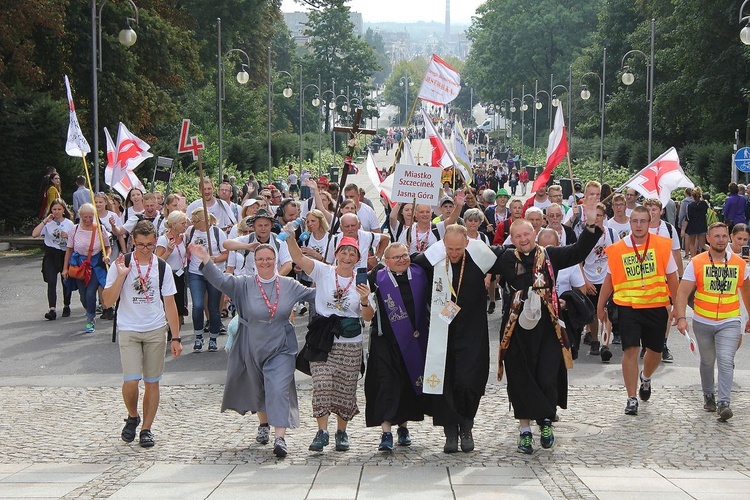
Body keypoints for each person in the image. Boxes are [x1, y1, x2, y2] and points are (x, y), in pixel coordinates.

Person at [498, 194, 603, 454]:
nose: (523, 239)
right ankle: (524, 431)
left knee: (547, 375)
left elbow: (578, 251)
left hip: (548, 327)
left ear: (534, 233)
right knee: (520, 379)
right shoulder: (505, 258)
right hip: (516, 329)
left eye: (527, 234)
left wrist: (590, 224)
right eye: (518, 236)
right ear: (512, 239)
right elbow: (469, 252)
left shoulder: (551, 255)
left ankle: (545, 421)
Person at [191, 241, 315, 457]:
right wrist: (205, 259)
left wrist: (340, 283)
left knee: (278, 387)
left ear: (275, 260)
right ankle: (263, 423)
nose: (265, 262)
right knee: (258, 387)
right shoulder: (243, 284)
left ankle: (280, 438)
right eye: (260, 259)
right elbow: (219, 280)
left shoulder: (289, 285)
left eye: (269, 258)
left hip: (281, 345)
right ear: (254, 262)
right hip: (251, 343)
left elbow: (315, 295)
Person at [412, 225, 505, 453]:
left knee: (470, 380)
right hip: (443, 331)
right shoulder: (433, 258)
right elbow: (407, 263)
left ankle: (467, 425)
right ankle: (450, 432)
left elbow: (508, 258)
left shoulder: (480, 256)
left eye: (458, 249)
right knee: (446, 380)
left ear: (467, 243)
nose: (453, 253)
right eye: (449, 249)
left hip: (473, 330)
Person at [285, 233, 374, 453]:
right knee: (322, 386)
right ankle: (322, 431)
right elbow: (297, 257)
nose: (347, 256)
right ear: (336, 254)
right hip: (323, 339)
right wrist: (289, 238)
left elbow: (368, 318)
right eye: (343, 251)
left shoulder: (363, 281)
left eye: (352, 253)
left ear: (357, 259)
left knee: (345, 389)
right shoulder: (323, 271)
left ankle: (341, 431)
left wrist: (364, 299)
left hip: (350, 342)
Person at [102, 220, 183, 449]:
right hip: (128, 328)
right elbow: (108, 301)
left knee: (152, 382)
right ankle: (132, 415)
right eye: (140, 245)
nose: (145, 249)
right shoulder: (121, 263)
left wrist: (175, 337)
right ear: (133, 243)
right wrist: (121, 276)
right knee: (130, 380)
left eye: (149, 244)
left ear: (155, 242)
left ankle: (146, 428)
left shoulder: (161, 267)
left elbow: (170, 303)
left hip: (155, 328)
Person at [596, 206, 679, 416]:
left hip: (656, 305)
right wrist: (600, 304)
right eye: (635, 221)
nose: (639, 225)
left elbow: (672, 276)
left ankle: (646, 377)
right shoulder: (617, 249)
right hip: (628, 306)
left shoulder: (661, 245)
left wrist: (677, 306)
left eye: (643, 221)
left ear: (650, 222)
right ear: (630, 223)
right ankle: (631, 398)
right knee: (630, 350)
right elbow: (609, 278)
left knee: (655, 351)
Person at [675, 223, 750, 422]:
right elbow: (682, 292)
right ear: (708, 238)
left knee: (726, 360)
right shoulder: (697, 262)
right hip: (703, 320)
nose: (721, 240)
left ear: (728, 238)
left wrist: (749, 316)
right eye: (716, 236)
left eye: (724, 236)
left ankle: (724, 402)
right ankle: (708, 394)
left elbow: (747, 291)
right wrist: (681, 317)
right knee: (707, 361)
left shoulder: (739, 263)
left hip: (730, 320)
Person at [365, 242, 430, 452]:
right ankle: (386, 432)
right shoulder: (376, 278)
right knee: (386, 383)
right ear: (386, 261)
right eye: (396, 257)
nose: (402, 260)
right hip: (385, 340)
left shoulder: (420, 273)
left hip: (414, 340)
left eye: (404, 255)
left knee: (407, 382)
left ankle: (403, 426)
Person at [644, 198, 683, 362]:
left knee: (667, 310)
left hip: (664, 277)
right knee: (645, 311)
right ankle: (646, 344)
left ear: (661, 211)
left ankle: (663, 343)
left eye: (654, 209)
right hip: (645, 277)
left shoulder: (669, 228)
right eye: (649, 209)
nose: (652, 212)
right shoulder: (640, 228)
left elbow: (676, 253)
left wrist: (679, 277)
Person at [63, 203, 111, 333]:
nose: (88, 220)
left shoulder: (100, 229)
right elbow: (69, 249)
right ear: (80, 216)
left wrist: (106, 256)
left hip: (95, 265)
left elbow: (107, 246)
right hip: (79, 265)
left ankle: (90, 319)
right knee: (83, 296)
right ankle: (90, 309)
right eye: (85, 217)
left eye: (91, 217)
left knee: (91, 292)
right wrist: (65, 268)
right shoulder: (75, 229)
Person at [185, 208, 228, 352]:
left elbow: (226, 253)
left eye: (195, 221)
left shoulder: (217, 233)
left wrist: (216, 259)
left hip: (213, 273)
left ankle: (213, 338)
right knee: (197, 305)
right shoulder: (190, 231)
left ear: (203, 221)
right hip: (195, 272)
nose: (193, 223)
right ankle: (198, 336)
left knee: (213, 307)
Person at [32, 199, 74, 320]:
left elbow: (74, 240)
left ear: (64, 210)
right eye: (54, 209)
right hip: (51, 253)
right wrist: (45, 221)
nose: (56, 212)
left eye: (59, 209)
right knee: (51, 281)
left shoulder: (69, 224)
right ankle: (52, 309)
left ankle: (66, 305)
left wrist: (68, 236)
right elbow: (34, 234)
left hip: (64, 254)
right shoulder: (48, 224)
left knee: (65, 281)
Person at [156, 211, 189, 326]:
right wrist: (168, 252)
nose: (185, 226)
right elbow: (157, 261)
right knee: (167, 304)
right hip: (167, 275)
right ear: (174, 225)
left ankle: (176, 333)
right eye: (183, 223)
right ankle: (167, 329)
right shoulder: (163, 239)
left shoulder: (184, 237)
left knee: (180, 306)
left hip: (180, 274)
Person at [686, 187, 709, 258]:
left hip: (692, 226)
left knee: (692, 244)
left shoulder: (690, 206)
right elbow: (706, 212)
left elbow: (688, 217)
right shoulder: (704, 204)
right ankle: (714, 252)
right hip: (702, 225)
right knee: (703, 244)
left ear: (692, 196)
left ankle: (693, 259)